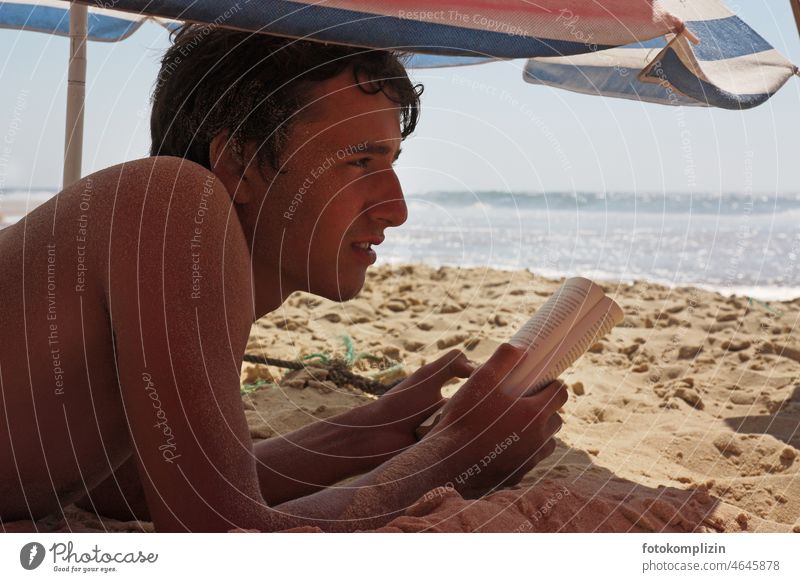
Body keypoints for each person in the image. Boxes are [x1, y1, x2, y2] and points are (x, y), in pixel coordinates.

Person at [0, 24, 566, 532]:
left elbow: (118, 486)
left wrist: (378, 427)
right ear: (241, 163)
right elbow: (220, 540)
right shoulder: (172, 205)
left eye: (391, 162)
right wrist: (462, 454)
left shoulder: (175, 252)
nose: (396, 209)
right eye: (361, 162)